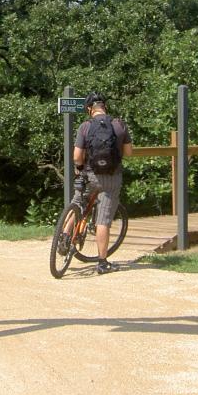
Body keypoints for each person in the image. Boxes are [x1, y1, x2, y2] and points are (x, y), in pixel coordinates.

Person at [73, 91, 133, 274]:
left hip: (90, 176)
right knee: (103, 220)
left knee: (76, 203)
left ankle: (64, 237)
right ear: (104, 106)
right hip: (111, 178)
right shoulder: (119, 125)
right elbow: (129, 153)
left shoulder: (85, 127)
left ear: (89, 109)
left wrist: (81, 168)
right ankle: (102, 262)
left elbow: (77, 157)